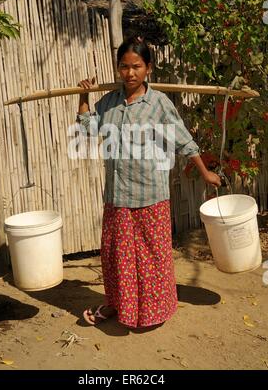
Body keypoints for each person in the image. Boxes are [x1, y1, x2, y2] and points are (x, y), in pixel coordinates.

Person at [77, 36, 221, 328]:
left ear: (148, 69)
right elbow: (88, 129)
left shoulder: (158, 103)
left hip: (150, 195)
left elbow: (183, 139)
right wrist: (83, 97)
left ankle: (154, 312)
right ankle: (118, 306)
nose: (130, 73)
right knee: (117, 257)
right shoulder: (109, 103)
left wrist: (205, 172)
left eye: (136, 66)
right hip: (117, 195)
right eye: (124, 67)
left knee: (151, 258)